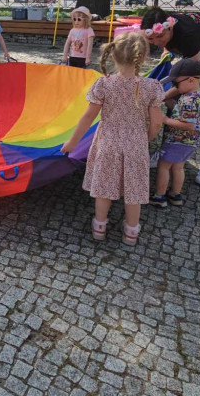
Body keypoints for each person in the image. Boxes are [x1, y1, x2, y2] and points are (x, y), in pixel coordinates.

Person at [60, 31, 163, 247]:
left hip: (107, 142)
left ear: (113, 55)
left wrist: (72, 142)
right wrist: (146, 138)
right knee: (134, 189)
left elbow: (88, 117)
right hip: (136, 143)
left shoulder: (104, 84)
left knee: (104, 187)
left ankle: (99, 227)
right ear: (143, 56)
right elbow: (156, 123)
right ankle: (131, 232)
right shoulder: (151, 87)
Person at [140, 8, 200, 186]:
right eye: (151, 39)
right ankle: (166, 152)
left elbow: (188, 80)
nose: (157, 42)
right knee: (175, 104)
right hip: (197, 56)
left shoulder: (188, 34)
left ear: (170, 27)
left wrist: (159, 97)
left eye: (160, 37)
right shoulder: (166, 33)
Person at [151, 59, 200, 208]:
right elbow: (181, 111)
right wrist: (165, 102)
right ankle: (175, 195)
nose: (174, 86)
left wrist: (165, 119)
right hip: (189, 142)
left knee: (163, 166)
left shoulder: (188, 100)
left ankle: (159, 196)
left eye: (176, 83)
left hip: (177, 140)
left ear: (191, 80)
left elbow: (188, 125)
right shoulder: (196, 96)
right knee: (178, 167)